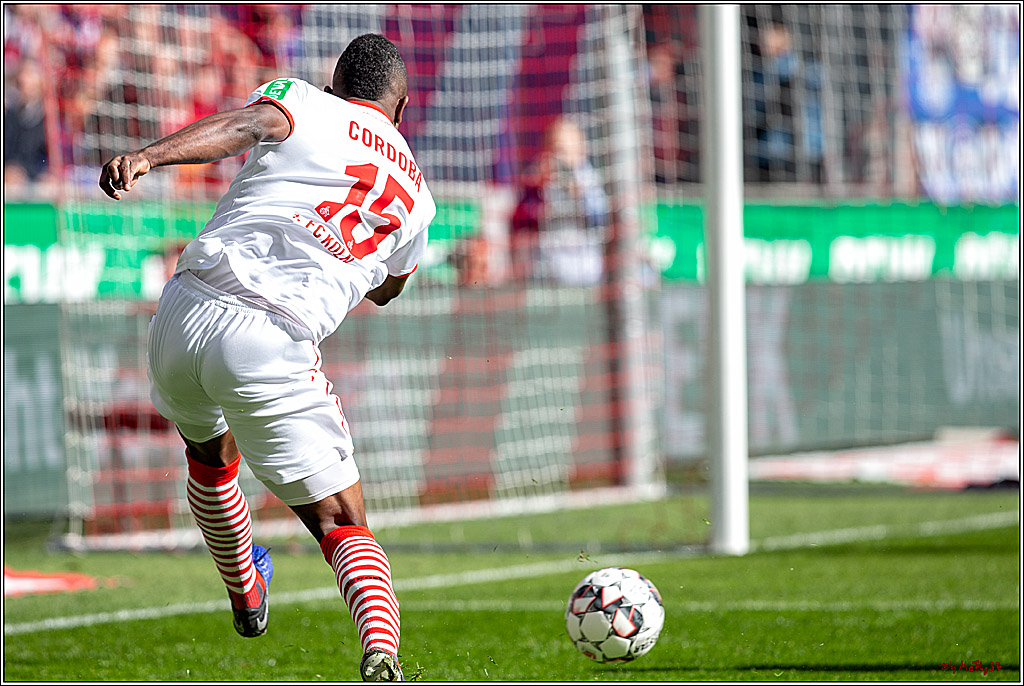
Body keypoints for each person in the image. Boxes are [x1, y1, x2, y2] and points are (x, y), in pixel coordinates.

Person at [98, 33, 434, 682]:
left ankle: (245, 593)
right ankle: (381, 650)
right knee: (341, 520)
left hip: (183, 309)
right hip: (270, 337)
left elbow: (244, 125)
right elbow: (391, 287)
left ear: (337, 86)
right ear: (403, 108)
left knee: (208, 450)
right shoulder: (417, 197)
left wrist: (148, 157)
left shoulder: (303, 99)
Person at [510, 116, 608, 285]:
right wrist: (536, 191)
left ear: (581, 150)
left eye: (565, 149)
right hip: (548, 274)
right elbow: (520, 222)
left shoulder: (590, 180)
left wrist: (579, 194)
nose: (560, 157)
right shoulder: (538, 181)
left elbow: (600, 218)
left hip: (587, 273)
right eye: (556, 149)